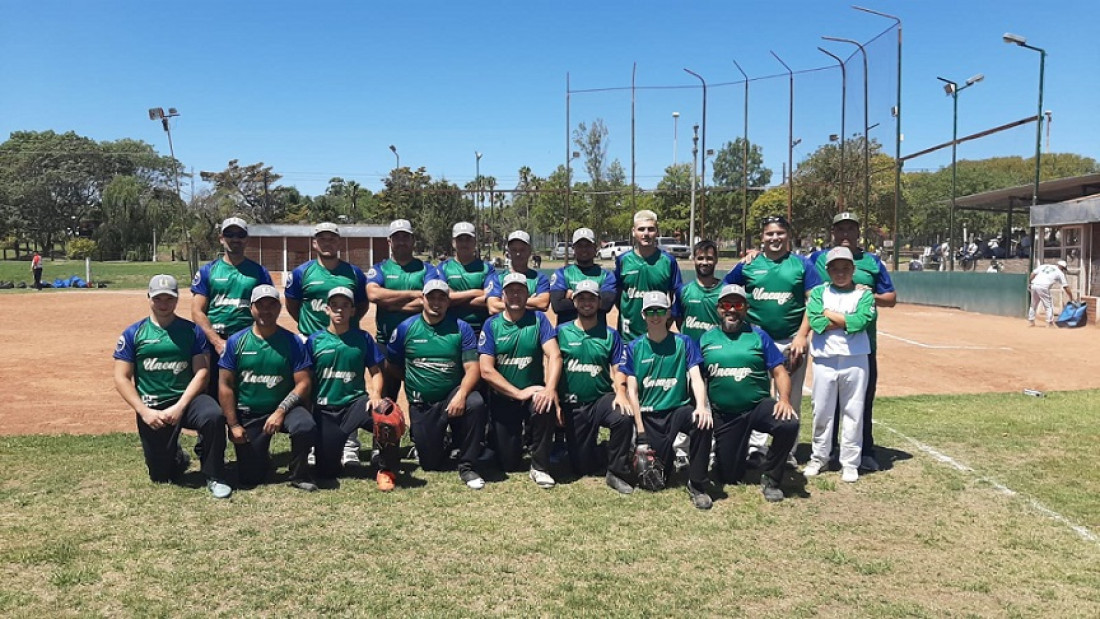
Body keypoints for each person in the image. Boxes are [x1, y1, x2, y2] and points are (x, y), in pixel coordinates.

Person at [113, 275, 231, 499]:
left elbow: (202, 372)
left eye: (169, 298)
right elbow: (121, 377)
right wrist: (144, 411)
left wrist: (180, 407)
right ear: (149, 298)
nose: (164, 304)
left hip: (187, 399)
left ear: (177, 300)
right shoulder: (133, 334)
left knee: (213, 415)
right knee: (161, 476)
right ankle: (176, 456)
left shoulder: (192, 331)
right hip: (153, 404)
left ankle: (215, 474)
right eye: (158, 298)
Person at [723, 215, 819, 466]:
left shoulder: (802, 265)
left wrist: (801, 335)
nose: (774, 238)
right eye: (769, 234)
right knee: (757, 396)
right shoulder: (749, 265)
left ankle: (786, 451)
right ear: (762, 237)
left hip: (790, 341)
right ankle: (756, 448)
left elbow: (814, 302)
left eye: (779, 233)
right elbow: (724, 293)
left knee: (790, 397)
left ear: (788, 235)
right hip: (756, 340)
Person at [810, 212, 896, 472]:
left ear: (859, 233)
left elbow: (890, 298)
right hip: (827, 347)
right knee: (825, 405)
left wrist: (870, 297)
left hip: (861, 345)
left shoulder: (872, 262)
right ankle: (827, 453)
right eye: (840, 229)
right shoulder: (816, 259)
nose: (845, 234)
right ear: (832, 232)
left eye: (850, 229)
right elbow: (814, 313)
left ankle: (864, 452)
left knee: (859, 403)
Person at [699, 284, 800, 502]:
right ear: (719, 309)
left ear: (745, 308)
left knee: (788, 422)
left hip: (757, 406)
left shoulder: (759, 335)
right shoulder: (706, 339)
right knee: (730, 476)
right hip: (726, 415)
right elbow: (696, 378)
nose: (732, 310)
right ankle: (730, 456)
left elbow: (780, 371)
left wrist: (784, 400)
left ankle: (772, 478)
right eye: (726, 304)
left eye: (738, 304)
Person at [386, 280, 488, 490]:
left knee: (475, 402)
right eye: (431, 297)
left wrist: (461, 394)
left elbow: (472, 368)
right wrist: (415, 379)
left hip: (452, 394)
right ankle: (446, 441)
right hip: (423, 401)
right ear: (422, 299)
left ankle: (467, 465)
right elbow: (392, 365)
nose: (436, 302)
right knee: (430, 464)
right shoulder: (406, 328)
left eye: (442, 297)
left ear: (448, 302)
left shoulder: (461, 328)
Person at [285, 221, 369, 467]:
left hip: (346, 338)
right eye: (322, 239)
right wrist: (311, 331)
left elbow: (361, 304)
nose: (327, 242)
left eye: (331, 238)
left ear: (339, 242)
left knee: (348, 386)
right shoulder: (302, 273)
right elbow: (293, 305)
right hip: (311, 340)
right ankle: (311, 442)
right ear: (314, 243)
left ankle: (351, 445)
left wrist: (346, 327)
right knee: (311, 391)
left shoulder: (354, 273)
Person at [219, 285, 317, 491]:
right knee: (250, 478)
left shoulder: (292, 341)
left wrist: (281, 411)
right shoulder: (237, 342)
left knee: (305, 425)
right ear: (251, 308)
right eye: (260, 305)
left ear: (279, 308)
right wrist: (234, 425)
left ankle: (299, 474)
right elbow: (225, 385)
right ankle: (261, 457)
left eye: (271, 305)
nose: (266, 311)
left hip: (285, 409)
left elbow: (304, 382)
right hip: (250, 412)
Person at [620, 291, 713, 509]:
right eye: (650, 311)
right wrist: (641, 434)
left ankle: (697, 484)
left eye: (660, 310)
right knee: (656, 481)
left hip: (678, 410)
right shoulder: (635, 347)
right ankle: (665, 455)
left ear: (668, 313)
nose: (655, 316)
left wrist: (701, 406)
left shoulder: (684, 343)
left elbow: (696, 378)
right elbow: (632, 391)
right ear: (643, 314)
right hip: (650, 414)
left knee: (702, 423)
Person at [307, 287, 395, 491]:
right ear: (326, 309)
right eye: (335, 306)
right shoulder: (314, 341)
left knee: (388, 419)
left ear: (353, 311)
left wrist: (375, 395)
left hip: (355, 404)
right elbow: (306, 378)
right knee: (327, 472)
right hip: (325, 408)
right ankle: (329, 458)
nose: (340, 310)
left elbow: (376, 372)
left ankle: (386, 470)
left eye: (345, 306)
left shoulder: (362, 338)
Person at [479, 272, 562, 488]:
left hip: (533, 394)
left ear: (527, 294)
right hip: (504, 397)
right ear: (503, 295)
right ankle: (509, 444)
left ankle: (540, 466)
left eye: (520, 291)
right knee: (508, 463)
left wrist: (550, 388)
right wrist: (517, 393)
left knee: (545, 404)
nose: (515, 295)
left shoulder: (538, 320)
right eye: (510, 291)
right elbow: (486, 370)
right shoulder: (491, 325)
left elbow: (554, 355)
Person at [803, 247, 877, 483]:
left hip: (856, 358)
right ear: (828, 270)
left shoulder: (864, 294)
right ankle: (819, 457)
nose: (841, 273)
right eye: (836, 268)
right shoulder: (818, 292)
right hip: (825, 359)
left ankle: (850, 462)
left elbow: (862, 321)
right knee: (822, 411)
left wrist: (829, 314)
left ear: (853, 269)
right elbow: (815, 322)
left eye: (846, 268)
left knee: (853, 411)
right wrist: (845, 320)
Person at [555, 279, 634, 494]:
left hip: (600, 398)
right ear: (574, 302)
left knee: (623, 416)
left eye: (592, 298)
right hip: (573, 403)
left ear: (599, 302)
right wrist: (555, 401)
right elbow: (550, 366)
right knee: (581, 468)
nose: (586, 303)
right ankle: (603, 450)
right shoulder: (561, 332)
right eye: (582, 298)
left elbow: (619, 369)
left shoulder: (610, 335)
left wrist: (621, 393)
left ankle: (616, 471)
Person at [190, 217, 273, 398]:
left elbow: (269, 310)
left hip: (247, 342)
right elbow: (197, 311)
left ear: (247, 239)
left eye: (240, 235)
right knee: (212, 393)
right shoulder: (208, 271)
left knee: (246, 392)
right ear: (221, 238)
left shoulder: (259, 272)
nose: (235, 239)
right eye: (230, 234)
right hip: (214, 343)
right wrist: (217, 342)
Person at [366, 219, 437, 397]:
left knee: (422, 397)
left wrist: (390, 303)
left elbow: (429, 301)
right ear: (389, 242)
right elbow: (374, 295)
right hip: (386, 342)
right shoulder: (380, 268)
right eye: (397, 238)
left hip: (419, 341)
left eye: (405, 237)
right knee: (385, 400)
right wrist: (412, 294)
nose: (402, 241)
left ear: (413, 240)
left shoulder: (426, 269)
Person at [615, 210, 683, 343]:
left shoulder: (668, 261)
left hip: (659, 336)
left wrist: (668, 319)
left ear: (657, 232)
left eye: (650, 229)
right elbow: (617, 295)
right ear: (633, 232)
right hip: (627, 338)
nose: (646, 233)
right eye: (641, 229)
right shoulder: (623, 260)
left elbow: (676, 296)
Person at [432, 222, 496, 336]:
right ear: (453, 242)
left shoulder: (487, 268)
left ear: (474, 242)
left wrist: (454, 298)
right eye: (460, 239)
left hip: (481, 329)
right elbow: (443, 298)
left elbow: (491, 298)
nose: (464, 243)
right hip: (451, 330)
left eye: (468, 239)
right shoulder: (443, 268)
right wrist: (476, 292)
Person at [549, 227, 617, 326]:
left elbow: (606, 305)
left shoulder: (606, 275)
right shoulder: (562, 273)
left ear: (595, 248)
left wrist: (572, 296)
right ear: (573, 249)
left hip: (597, 336)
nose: (584, 249)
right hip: (567, 335)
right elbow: (557, 306)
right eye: (580, 246)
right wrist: (594, 300)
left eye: (588, 245)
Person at [487, 230, 550, 314]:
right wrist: (531, 301)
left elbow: (543, 304)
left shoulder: (540, 279)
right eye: (514, 250)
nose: (518, 254)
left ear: (529, 251)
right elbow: (493, 308)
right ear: (508, 252)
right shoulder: (498, 278)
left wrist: (507, 300)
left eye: (522, 250)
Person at [679, 239, 723, 344]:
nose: (704, 262)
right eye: (700, 258)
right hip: (691, 355)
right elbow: (676, 322)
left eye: (709, 258)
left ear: (716, 260)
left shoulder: (725, 292)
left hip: (716, 353)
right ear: (694, 259)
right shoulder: (684, 291)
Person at [1028, 259, 1074, 327]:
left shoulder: (1044, 266)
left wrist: (1030, 283)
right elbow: (1066, 287)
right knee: (1049, 305)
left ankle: (1031, 321)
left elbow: (1033, 274)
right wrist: (1071, 297)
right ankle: (1049, 323)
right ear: (1062, 267)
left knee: (1033, 304)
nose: (1063, 270)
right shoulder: (1060, 273)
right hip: (1043, 286)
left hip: (1034, 285)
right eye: (1063, 269)